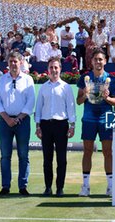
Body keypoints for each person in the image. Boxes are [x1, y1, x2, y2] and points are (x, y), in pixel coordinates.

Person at [76, 49, 115, 197]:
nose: (98, 62)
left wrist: (108, 98)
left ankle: (111, 186)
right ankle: (86, 186)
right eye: (96, 59)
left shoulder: (111, 79)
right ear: (92, 61)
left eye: (101, 59)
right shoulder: (85, 78)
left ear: (105, 61)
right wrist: (85, 94)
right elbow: (79, 101)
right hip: (89, 119)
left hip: (106, 119)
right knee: (87, 151)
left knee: (108, 152)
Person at [0, 51, 35, 196]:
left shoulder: (28, 80)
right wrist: (7, 118)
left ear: (21, 62)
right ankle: (5, 186)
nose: (13, 64)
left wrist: (17, 119)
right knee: (5, 155)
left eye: (15, 61)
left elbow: (31, 102)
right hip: (5, 122)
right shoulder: (1, 80)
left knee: (23, 155)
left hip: (22, 121)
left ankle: (22, 186)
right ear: (8, 63)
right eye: (11, 61)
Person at [35, 57, 76, 197]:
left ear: (60, 69)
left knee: (61, 159)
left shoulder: (66, 87)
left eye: (56, 67)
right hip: (46, 125)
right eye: (51, 67)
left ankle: (60, 188)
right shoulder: (43, 87)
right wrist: (38, 126)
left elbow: (71, 107)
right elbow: (39, 107)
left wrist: (72, 125)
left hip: (61, 125)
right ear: (48, 70)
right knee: (47, 159)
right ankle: (48, 187)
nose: (54, 70)